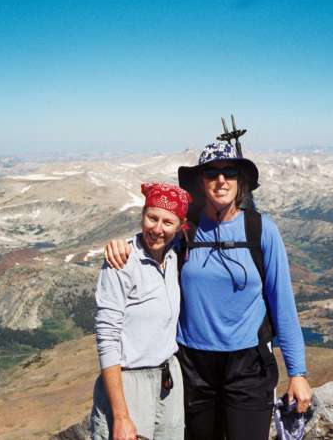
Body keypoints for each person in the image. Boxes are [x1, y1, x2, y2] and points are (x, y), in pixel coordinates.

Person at [105, 142, 312, 440]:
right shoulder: (187, 230)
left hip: (249, 366)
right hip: (192, 367)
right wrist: (121, 245)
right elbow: (153, 239)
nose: (221, 180)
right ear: (201, 182)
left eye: (229, 172)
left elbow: (282, 304)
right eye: (211, 173)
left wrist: (298, 373)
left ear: (240, 180)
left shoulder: (261, 230)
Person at [91, 182, 192, 440]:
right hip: (129, 383)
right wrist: (121, 416)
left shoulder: (173, 255)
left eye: (167, 222)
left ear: (180, 227)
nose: (157, 229)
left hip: (168, 378)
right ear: (142, 216)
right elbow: (107, 338)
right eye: (152, 218)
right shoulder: (122, 261)